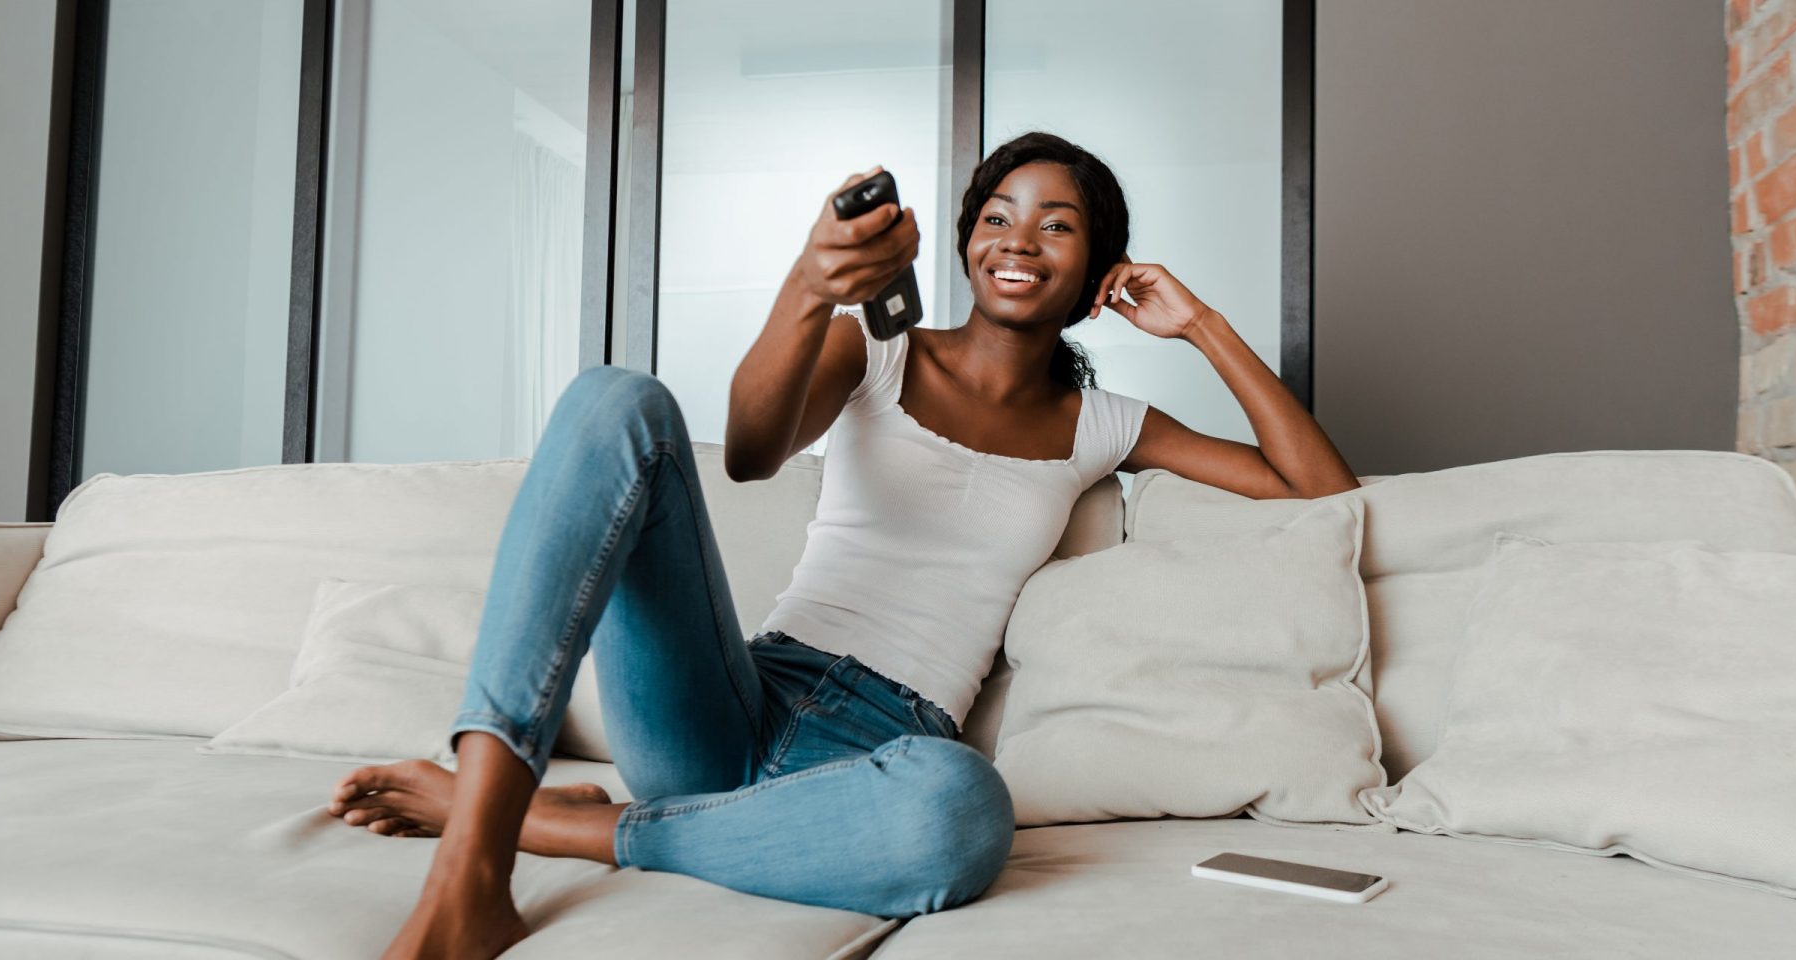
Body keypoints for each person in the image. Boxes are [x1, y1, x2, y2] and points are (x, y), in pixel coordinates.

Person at [323, 130, 1360, 960]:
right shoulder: (878, 350)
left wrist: (1204, 326)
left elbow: (1320, 489)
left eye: (1057, 225)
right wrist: (812, 289)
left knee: (961, 811)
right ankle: (473, 864)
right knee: (613, 401)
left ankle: (557, 825)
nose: (1019, 239)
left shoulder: (1110, 425)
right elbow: (752, 454)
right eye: (997, 216)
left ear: (1097, 270)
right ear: (963, 243)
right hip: (729, 702)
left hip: (880, 753)